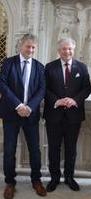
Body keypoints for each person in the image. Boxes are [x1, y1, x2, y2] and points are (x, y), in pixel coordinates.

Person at [0, 34, 46, 199]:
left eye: (34, 47)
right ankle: (10, 182)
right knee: (9, 149)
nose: (31, 50)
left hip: (30, 115)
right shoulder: (8, 62)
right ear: (21, 46)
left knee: (35, 149)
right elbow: (2, 84)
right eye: (28, 46)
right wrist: (19, 106)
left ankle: (36, 181)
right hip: (11, 113)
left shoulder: (40, 67)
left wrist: (30, 107)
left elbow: (42, 90)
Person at [43, 38, 91, 192]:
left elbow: (86, 89)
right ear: (59, 50)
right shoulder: (49, 67)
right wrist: (57, 101)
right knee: (54, 148)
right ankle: (54, 178)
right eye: (64, 49)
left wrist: (74, 100)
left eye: (69, 48)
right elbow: (44, 89)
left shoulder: (82, 67)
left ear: (74, 49)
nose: (67, 51)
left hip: (73, 115)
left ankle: (69, 177)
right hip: (54, 114)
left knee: (71, 149)